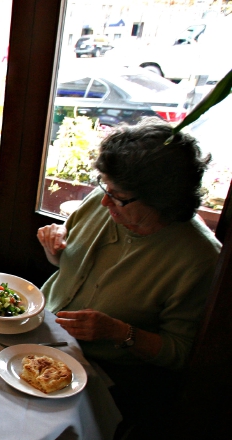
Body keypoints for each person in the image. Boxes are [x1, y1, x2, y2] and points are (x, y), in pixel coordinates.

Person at [37, 117, 221, 437]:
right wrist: (55, 247)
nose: (105, 201)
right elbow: (69, 265)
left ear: (162, 200)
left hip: (103, 373)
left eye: (118, 196)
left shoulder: (199, 259)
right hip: (39, 333)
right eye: (106, 189)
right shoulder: (108, 200)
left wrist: (118, 331)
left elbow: (180, 352)